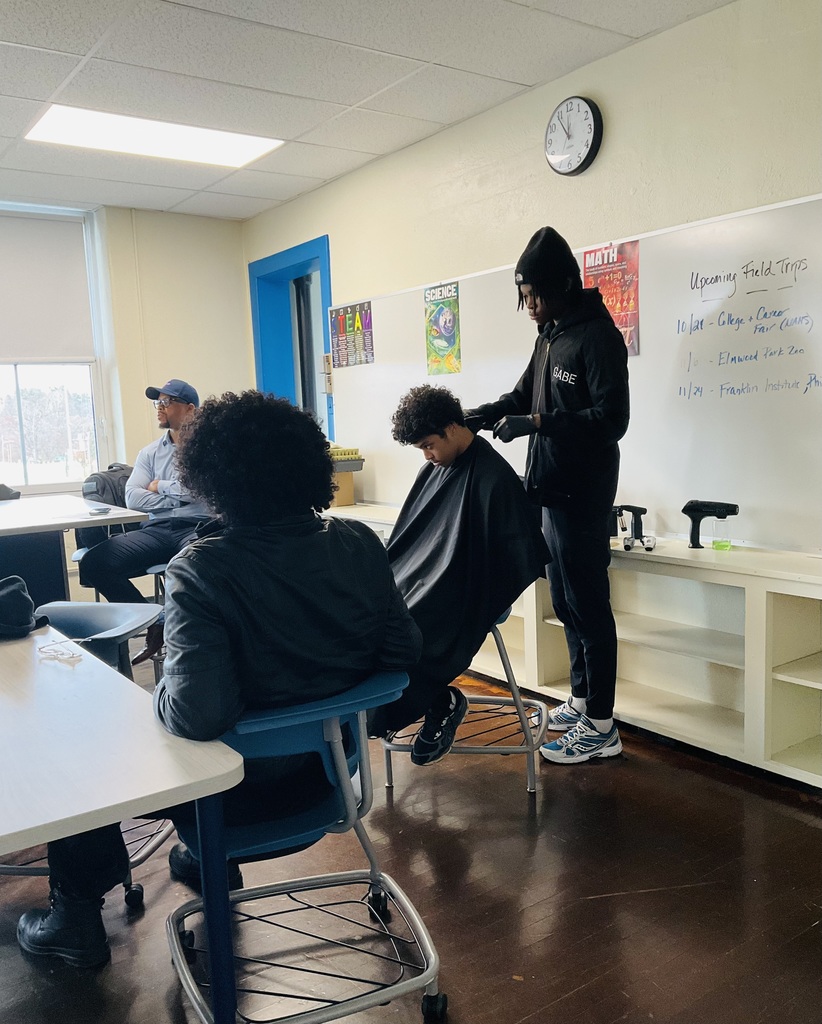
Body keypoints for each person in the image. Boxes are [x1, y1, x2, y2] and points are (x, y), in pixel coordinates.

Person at [16, 391, 422, 969]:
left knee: (88, 734)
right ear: (313, 467)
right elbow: (403, 650)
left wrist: (155, 687)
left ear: (211, 477)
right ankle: (202, 860)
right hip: (332, 773)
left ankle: (76, 918)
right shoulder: (357, 543)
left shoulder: (203, 568)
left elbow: (198, 717)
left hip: (234, 795)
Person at [465, 226, 630, 764]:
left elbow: (612, 419)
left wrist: (537, 422)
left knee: (589, 607)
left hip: (582, 495)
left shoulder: (598, 337)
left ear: (563, 284)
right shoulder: (550, 334)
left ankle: (603, 726)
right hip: (548, 492)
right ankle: (582, 702)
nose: (529, 306)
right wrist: (481, 415)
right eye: (524, 296)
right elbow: (522, 394)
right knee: (564, 602)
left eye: (535, 294)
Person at [368, 384, 547, 767]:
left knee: (406, 629)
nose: (427, 456)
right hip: (422, 580)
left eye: (429, 445)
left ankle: (438, 705)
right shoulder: (435, 469)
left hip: (466, 589)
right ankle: (431, 700)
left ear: (452, 427)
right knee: (364, 614)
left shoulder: (495, 478)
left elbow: (507, 562)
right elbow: (411, 540)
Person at [79, 379, 209, 665]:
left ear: (190, 410)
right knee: (95, 563)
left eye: (166, 402)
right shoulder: (149, 452)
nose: (159, 409)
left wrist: (160, 486)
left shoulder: (209, 447)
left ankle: (191, 642)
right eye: (157, 403)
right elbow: (133, 499)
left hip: (200, 527)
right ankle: (154, 621)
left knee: (200, 565)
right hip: (157, 529)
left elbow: (202, 491)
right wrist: (177, 498)